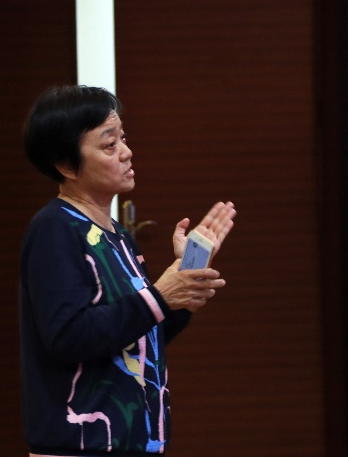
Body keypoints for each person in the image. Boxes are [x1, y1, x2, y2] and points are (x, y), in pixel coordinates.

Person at [19, 85, 236, 456]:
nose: (126, 152)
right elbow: (68, 336)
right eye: (109, 145)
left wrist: (188, 274)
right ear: (66, 165)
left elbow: (137, 339)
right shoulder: (55, 229)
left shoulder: (118, 235)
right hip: (82, 445)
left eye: (123, 138)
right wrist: (160, 296)